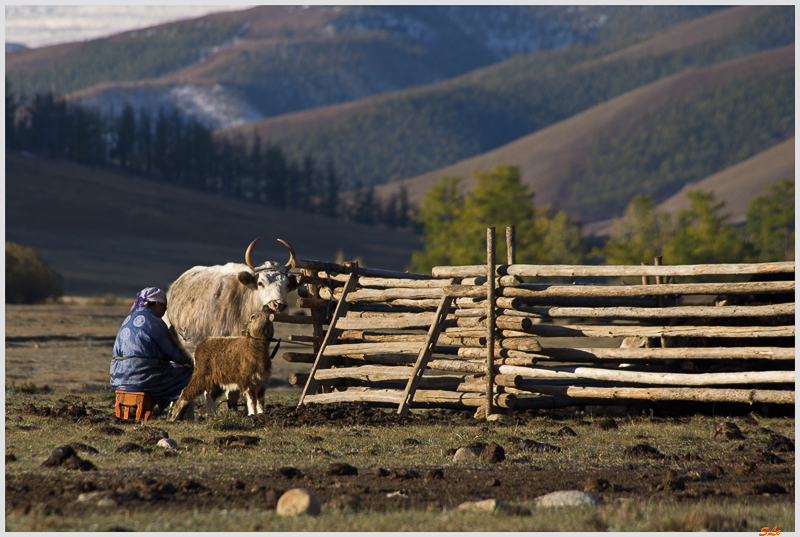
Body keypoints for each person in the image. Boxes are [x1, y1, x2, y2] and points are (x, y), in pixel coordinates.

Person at [110, 287, 194, 414]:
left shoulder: (128, 319)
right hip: (144, 378)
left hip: (118, 378)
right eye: (164, 306)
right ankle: (180, 414)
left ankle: (135, 409)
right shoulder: (155, 322)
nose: (165, 310)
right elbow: (174, 355)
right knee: (191, 374)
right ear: (157, 303)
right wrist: (192, 359)